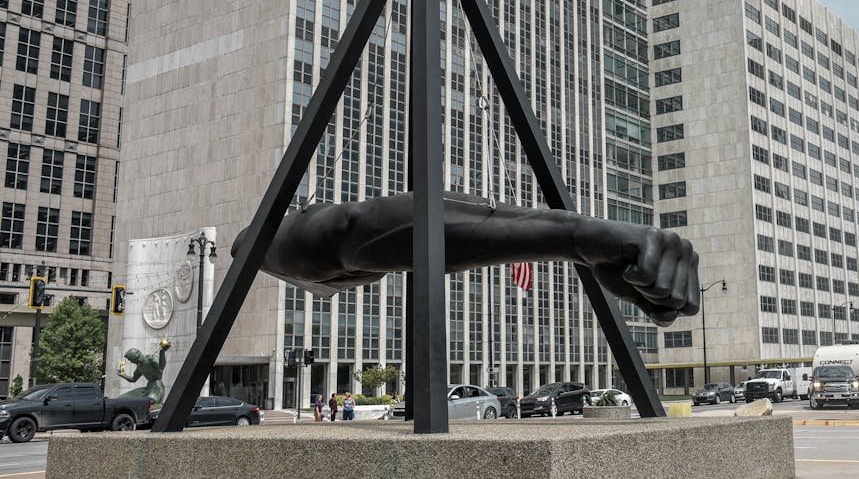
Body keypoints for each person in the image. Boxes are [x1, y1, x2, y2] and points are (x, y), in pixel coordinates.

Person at [234, 192, 701, 326]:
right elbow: (251, 244)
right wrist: (574, 237)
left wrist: (576, 240)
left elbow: (346, 238)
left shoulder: (346, 256)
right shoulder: (297, 244)